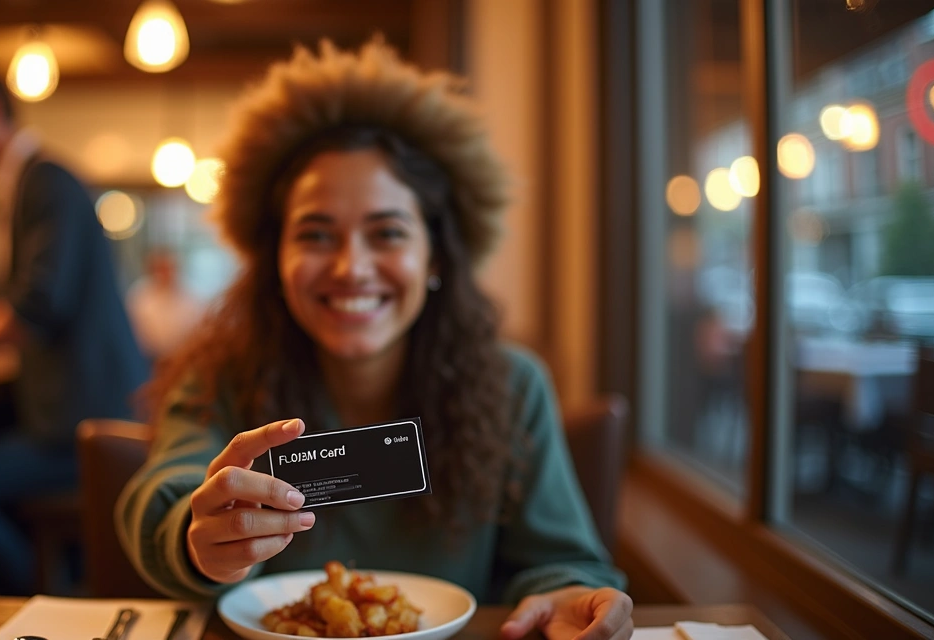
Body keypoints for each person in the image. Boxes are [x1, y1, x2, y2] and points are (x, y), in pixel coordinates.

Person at [117, 40, 631, 640]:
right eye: (315, 235)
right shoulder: (223, 377)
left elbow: (558, 561)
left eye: (386, 233)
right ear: (273, 258)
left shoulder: (511, 386)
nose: (350, 268)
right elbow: (166, 492)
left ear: (435, 255)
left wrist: (566, 594)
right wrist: (195, 538)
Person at [0, 62, 150, 594]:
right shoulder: (26, 184)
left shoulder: (45, 180)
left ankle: (53, 600)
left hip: (84, 424)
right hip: (76, 412)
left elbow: (39, 300)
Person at [126, 249, 205, 360]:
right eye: (161, 268)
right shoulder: (139, 295)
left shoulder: (190, 296)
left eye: (168, 267)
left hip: (182, 358)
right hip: (147, 359)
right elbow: (132, 328)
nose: (165, 273)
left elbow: (198, 329)